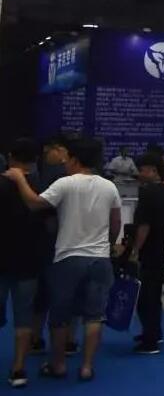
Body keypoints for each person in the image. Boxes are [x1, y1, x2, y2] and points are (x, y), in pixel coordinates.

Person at [4, 138, 120, 383]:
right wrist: (107, 245)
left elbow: (35, 203)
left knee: (60, 315)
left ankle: (58, 364)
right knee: (94, 316)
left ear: (75, 160)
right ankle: (86, 366)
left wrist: (19, 179)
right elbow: (115, 223)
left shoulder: (65, 183)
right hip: (99, 258)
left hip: (68, 257)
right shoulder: (109, 186)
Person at [0, 140, 50, 388]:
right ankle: (19, 368)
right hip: (29, 261)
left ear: (10, 156)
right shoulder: (44, 188)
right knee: (24, 317)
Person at [128, 153, 164, 354]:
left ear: (153, 170)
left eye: (142, 170)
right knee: (154, 295)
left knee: (145, 297)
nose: (139, 173)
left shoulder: (147, 193)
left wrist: (135, 250)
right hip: (160, 247)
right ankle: (155, 332)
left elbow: (144, 226)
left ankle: (150, 341)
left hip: (148, 250)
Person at [31, 136, 75, 357]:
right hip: (70, 243)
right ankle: (68, 341)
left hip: (50, 241)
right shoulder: (78, 177)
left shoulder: (51, 175)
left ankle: (37, 339)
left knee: (43, 295)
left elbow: (39, 205)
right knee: (69, 295)